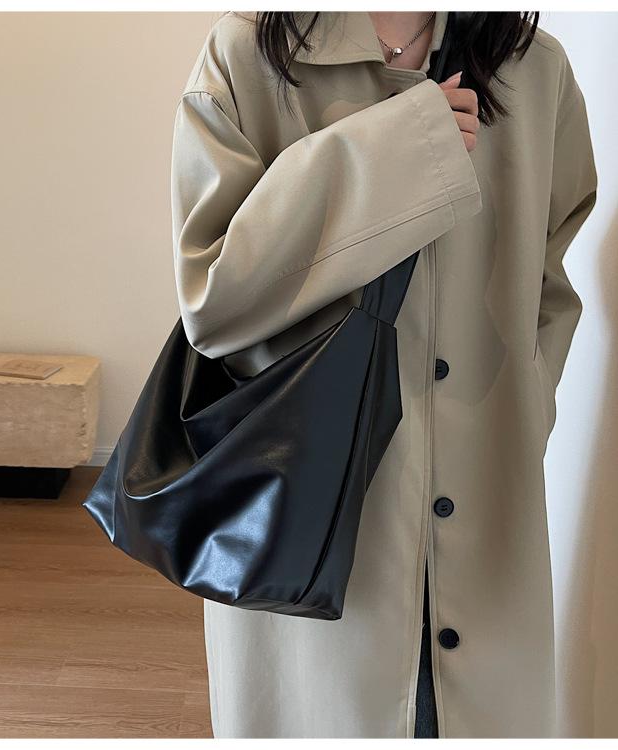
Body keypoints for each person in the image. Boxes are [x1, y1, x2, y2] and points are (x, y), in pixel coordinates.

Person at [169, 11, 597, 739]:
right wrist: (396, 149)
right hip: (311, 523)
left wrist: (527, 411)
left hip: (487, 510)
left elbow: (550, 288)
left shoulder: (535, 69)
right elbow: (213, 300)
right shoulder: (246, 56)